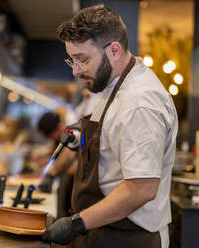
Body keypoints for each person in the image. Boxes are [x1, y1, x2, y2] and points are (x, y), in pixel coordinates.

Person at [42, 4, 178, 248]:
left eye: (82, 60)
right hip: (105, 231)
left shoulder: (139, 103)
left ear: (114, 50)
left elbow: (141, 188)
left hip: (129, 238)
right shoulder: (112, 86)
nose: (75, 70)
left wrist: (76, 224)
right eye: (71, 60)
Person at [37, 111, 78, 218]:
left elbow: (69, 156)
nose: (50, 139)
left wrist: (51, 174)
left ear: (59, 126)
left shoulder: (72, 132)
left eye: (50, 135)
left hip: (75, 188)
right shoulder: (59, 136)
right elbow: (56, 153)